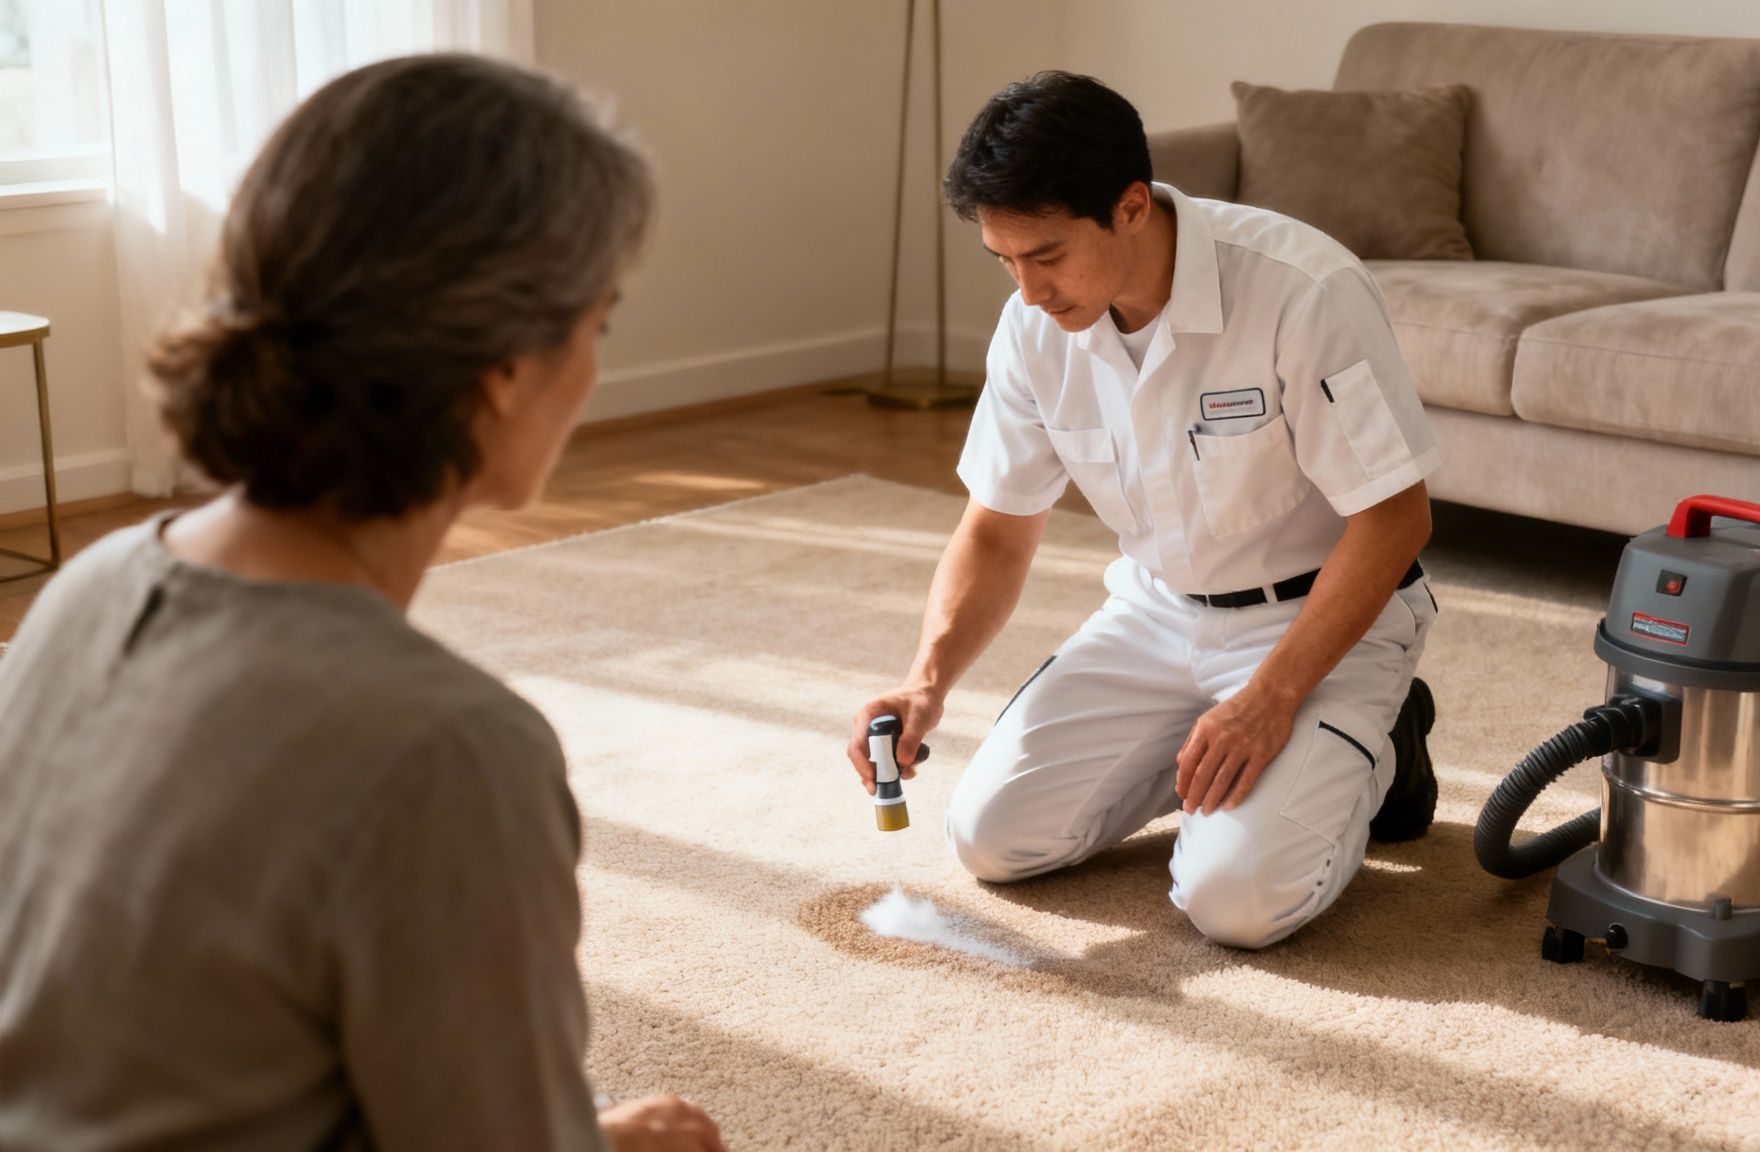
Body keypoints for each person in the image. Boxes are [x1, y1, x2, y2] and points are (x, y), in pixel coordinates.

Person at [0, 54, 720, 1151]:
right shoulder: (446, 751)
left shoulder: (90, 587)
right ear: (504, 370)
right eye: (597, 324)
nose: (593, 366)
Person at [848, 72, 1441, 950]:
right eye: (1003, 260)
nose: (1027, 292)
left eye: (1045, 255)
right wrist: (925, 681)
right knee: (991, 842)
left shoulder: (1298, 289)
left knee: (1236, 904)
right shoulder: (1033, 326)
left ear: (1130, 206)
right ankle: (1234, 756)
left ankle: (1384, 741)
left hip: (1316, 628)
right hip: (1154, 615)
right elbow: (998, 527)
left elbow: (1397, 520)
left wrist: (1272, 698)